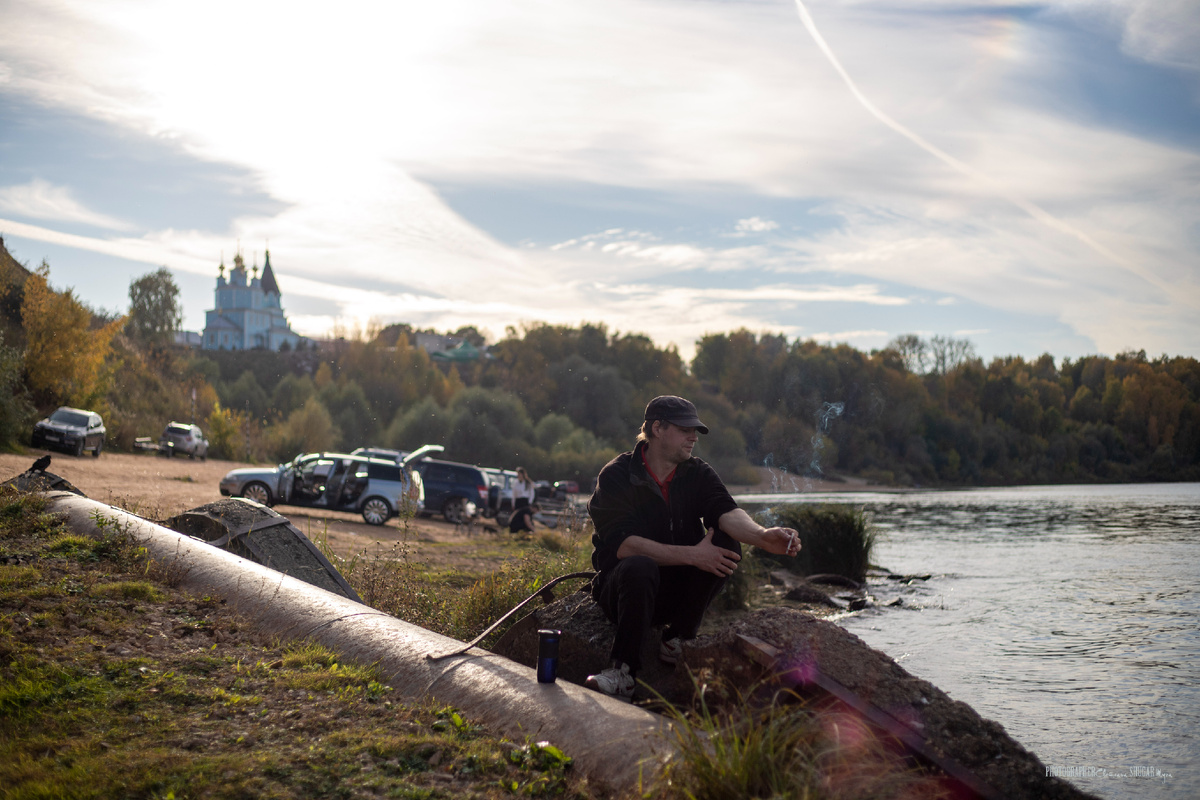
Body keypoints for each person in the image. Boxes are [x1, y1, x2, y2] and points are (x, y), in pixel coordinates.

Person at [585, 395, 801, 702]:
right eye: (685, 429)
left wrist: (763, 536)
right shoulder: (617, 475)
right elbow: (625, 546)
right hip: (625, 593)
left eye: (696, 430)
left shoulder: (696, 472)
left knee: (727, 543)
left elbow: (725, 512)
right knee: (639, 564)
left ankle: (678, 638)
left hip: (676, 593)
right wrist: (694, 556)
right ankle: (623, 672)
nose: (693, 437)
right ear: (657, 428)